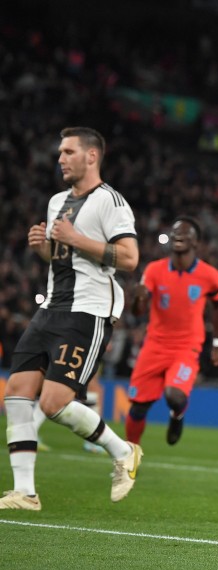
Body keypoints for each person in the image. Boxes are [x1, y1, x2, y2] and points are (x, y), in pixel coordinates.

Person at [1, 126, 143, 511]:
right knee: (15, 392)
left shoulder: (110, 202)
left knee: (53, 403)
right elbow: (66, 259)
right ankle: (26, 492)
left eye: (68, 152)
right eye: (60, 153)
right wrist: (45, 249)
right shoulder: (57, 202)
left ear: (91, 156)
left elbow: (129, 259)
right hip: (52, 307)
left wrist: (76, 239)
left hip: (89, 311)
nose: (60, 159)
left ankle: (123, 451)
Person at [124, 217, 218, 446]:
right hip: (155, 345)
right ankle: (129, 456)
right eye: (175, 232)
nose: (178, 236)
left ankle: (177, 416)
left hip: (186, 347)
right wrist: (138, 298)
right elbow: (139, 311)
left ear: (196, 242)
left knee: (174, 396)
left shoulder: (209, 275)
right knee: (139, 406)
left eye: (185, 233)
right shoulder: (154, 270)